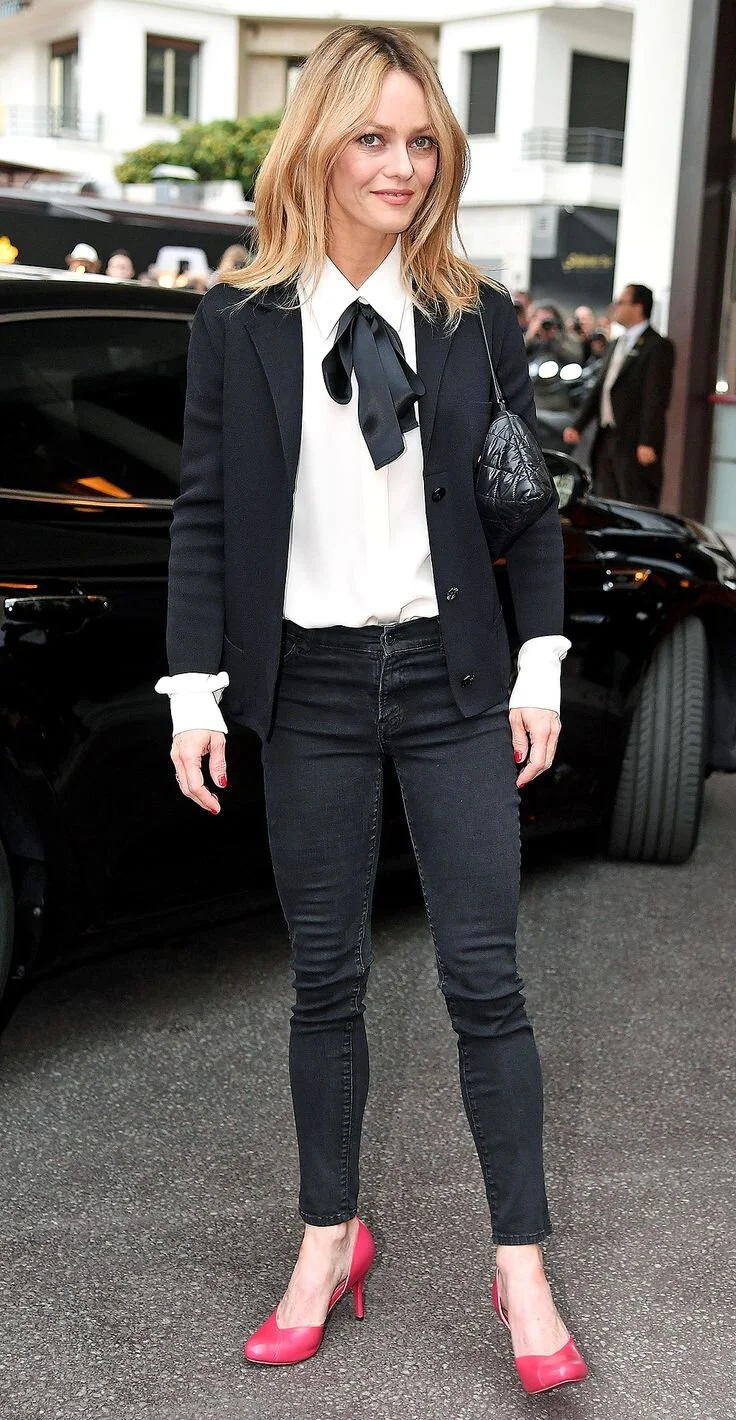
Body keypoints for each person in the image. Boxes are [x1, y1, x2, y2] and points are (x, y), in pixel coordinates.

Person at [156, 23, 588, 1397]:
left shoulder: (474, 317)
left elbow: (527, 506)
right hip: (315, 687)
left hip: (454, 682)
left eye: (421, 142)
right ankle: (327, 1240)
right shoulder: (239, 323)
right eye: (373, 138)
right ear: (317, 148)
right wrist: (193, 688)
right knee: (325, 981)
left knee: (485, 981)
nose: (402, 165)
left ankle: (521, 1263)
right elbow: (206, 514)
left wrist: (538, 666)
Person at [563, 284, 675, 506]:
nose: (615, 307)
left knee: (634, 500)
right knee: (605, 500)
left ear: (638, 307)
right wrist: (578, 425)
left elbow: (656, 397)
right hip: (607, 436)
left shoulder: (657, 346)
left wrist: (648, 442)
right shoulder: (616, 343)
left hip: (633, 440)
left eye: (621, 302)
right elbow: (600, 389)